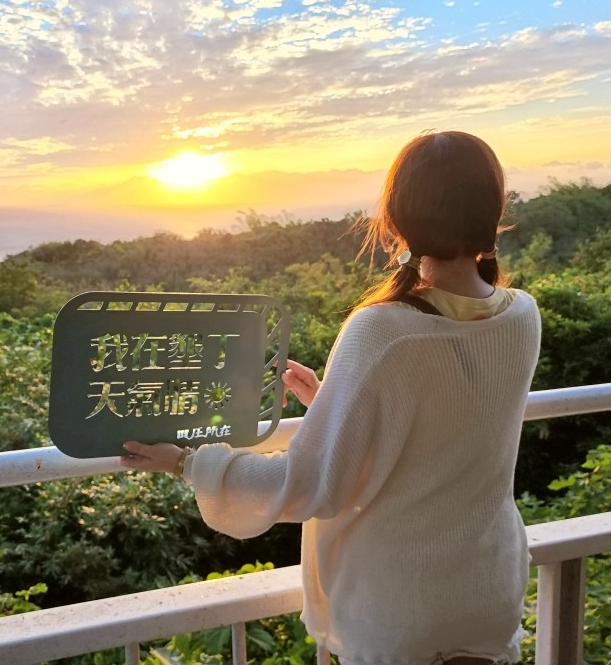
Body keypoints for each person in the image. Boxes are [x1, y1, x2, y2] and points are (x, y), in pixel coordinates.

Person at [121, 131, 542, 665]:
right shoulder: (521, 316)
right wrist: (332, 401)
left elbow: (311, 483)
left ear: (395, 219)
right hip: (486, 587)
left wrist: (187, 462)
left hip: (402, 607)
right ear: (494, 209)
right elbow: (451, 420)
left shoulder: (384, 331)